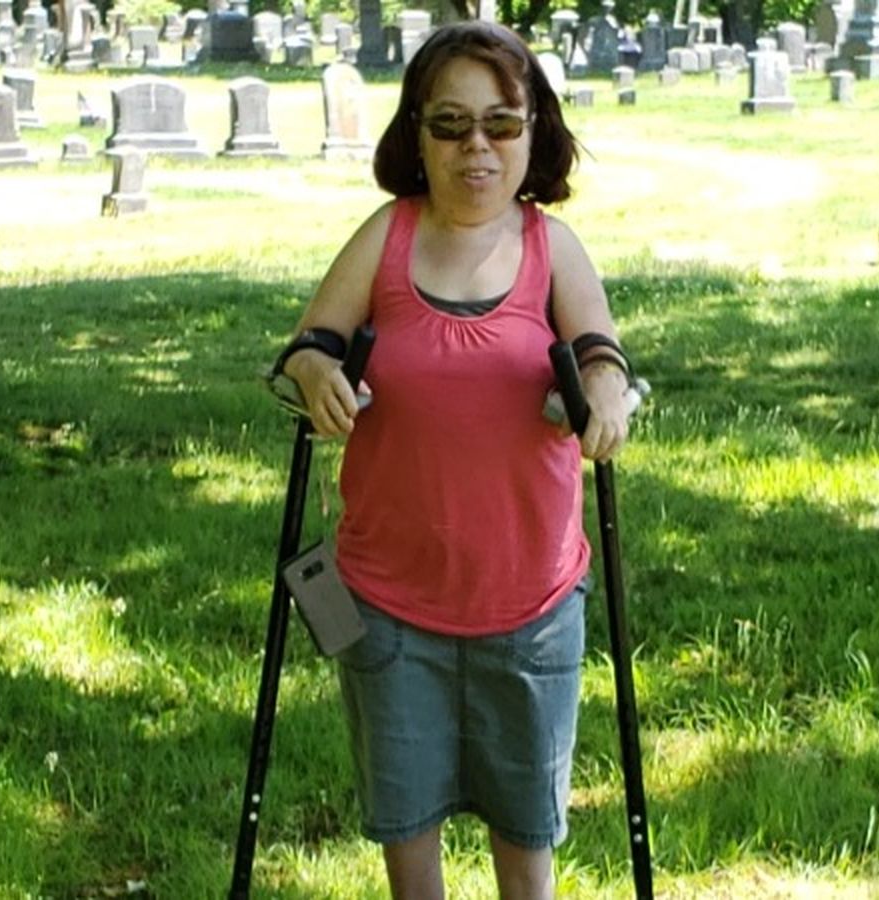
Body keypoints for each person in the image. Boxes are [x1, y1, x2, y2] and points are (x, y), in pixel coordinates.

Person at [277, 21, 633, 900]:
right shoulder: (387, 236)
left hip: (531, 607)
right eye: (451, 124)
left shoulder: (552, 248)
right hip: (390, 605)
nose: (477, 146)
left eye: (501, 124)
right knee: (408, 841)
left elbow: (602, 354)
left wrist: (605, 393)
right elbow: (307, 348)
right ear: (418, 135)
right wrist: (316, 375)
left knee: (527, 843)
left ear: (534, 133)